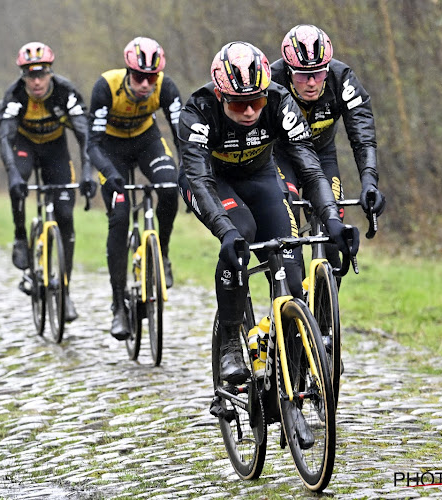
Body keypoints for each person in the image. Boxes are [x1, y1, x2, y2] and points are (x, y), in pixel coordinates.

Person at [177, 41, 357, 384]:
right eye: (240, 104)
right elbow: (199, 180)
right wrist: (224, 231)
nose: (249, 112)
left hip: (260, 176)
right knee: (240, 231)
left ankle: (292, 361)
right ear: (220, 95)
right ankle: (231, 341)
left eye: (256, 101)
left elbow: (310, 169)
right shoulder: (198, 110)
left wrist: (332, 218)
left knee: (291, 268)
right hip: (213, 181)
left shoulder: (278, 101)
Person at [87, 36, 182, 340]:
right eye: (139, 77)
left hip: (147, 142)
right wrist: (108, 173)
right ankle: (117, 306)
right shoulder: (106, 86)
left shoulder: (166, 87)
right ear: (128, 72)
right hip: (110, 150)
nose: (145, 84)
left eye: (151, 78)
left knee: (168, 187)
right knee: (119, 217)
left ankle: (163, 254)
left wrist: (190, 170)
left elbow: (181, 134)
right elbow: (92, 143)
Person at [271, 24, 385, 272]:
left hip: (322, 156)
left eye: (319, 74)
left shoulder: (341, 79)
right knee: (287, 221)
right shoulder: (271, 80)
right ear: (288, 71)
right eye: (302, 75)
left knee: (334, 237)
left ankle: (327, 302)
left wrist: (369, 181)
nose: (311, 83)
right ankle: (290, 296)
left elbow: (362, 136)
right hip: (282, 157)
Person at [0, 41, 95, 322]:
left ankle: (65, 291)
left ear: (50, 73)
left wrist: (88, 171)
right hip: (25, 147)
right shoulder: (14, 95)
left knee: (65, 215)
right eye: (29, 75)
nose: (36, 81)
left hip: (55, 151)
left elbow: (84, 135)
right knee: (17, 184)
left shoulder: (66, 92)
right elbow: (5, 138)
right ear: (22, 76)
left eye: (41, 74)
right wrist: (13, 173)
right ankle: (19, 238)